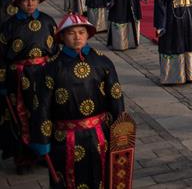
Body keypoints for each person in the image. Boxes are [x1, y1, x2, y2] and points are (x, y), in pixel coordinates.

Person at [28, 13, 126, 189]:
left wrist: (121, 130)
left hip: (99, 135)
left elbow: (116, 97)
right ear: (62, 37)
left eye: (81, 32)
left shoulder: (102, 62)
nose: (77, 37)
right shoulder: (51, 68)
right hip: (64, 139)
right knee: (67, 179)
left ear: (88, 34)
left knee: (100, 177)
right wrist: (41, 140)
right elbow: (41, 106)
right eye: (71, 33)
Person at [0, 0, 58, 173]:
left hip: (44, 74)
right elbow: (1, 55)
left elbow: (56, 51)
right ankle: (23, 158)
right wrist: (2, 81)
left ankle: (44, 153)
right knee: (20, 116)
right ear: (18, 2)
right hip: (18, 76)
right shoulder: (9, 25)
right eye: (26, 0)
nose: (30, 3)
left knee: (44, 114)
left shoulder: (48, 21)